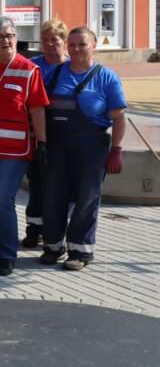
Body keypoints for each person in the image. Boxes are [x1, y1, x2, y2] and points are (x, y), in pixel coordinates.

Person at [39, 27, 126, 271]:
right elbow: (37, 109)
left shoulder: (106, 76)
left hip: (92, 146)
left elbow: (119, 117)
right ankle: (53, 247)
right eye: (73, 44)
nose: (76, 49)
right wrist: (41, 143)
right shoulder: (55, 75)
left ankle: (80, 251)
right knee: (54, 197)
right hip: (57, 145)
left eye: (82, 44)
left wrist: (116, 150)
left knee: (86, 199)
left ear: (94, 46)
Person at [0, 16, 49, 276]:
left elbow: (37, 110)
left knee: (3, 197)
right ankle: (0, 247)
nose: (6, 40)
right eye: (0, 37)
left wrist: (42, 143)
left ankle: (8, 253)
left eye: (10, 36)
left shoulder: (28, 69)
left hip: (16, 149)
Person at [24, 19, 69, 249]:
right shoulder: (33, 65)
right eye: (45, 40)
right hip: (36, 135)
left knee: (58, 186)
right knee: (37, 184)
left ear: (65, 41)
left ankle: (54, 229)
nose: (50, 44)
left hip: (63, 136)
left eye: (55, 40)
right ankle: (34, 228)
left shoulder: (73, 67)